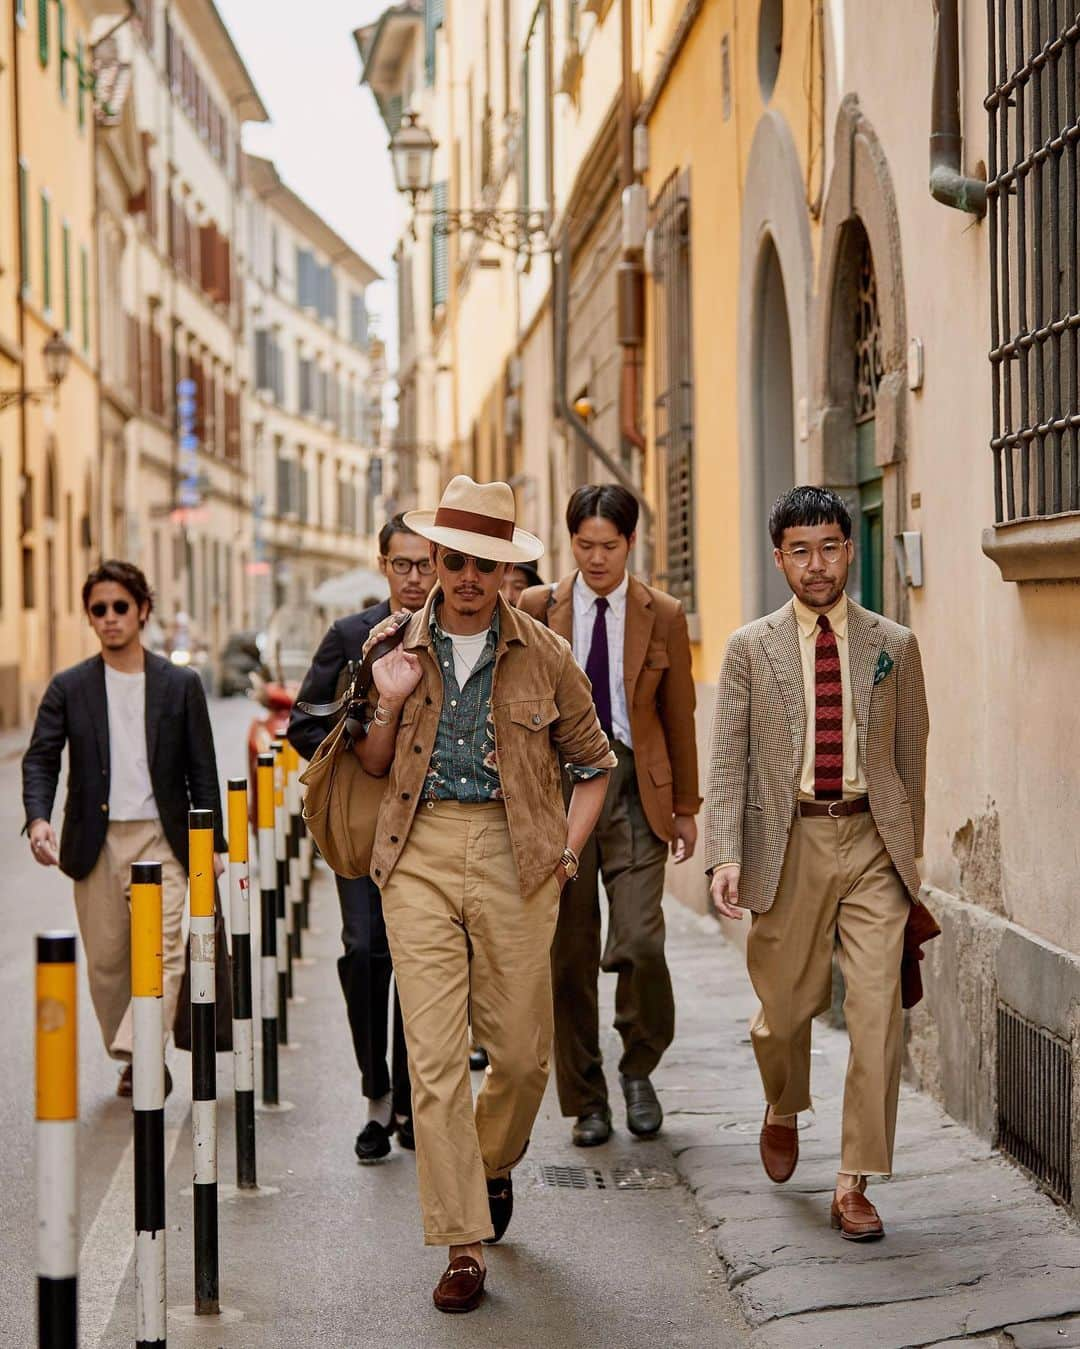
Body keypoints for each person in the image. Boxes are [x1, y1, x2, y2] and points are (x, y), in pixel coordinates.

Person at [356, 475, 615, 1313]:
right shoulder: (391, 644)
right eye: (454, 559)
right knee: (432, 1060)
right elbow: (366, 763)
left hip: (518, 852)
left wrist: (566, 856)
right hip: (419, 847)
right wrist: (388, 708)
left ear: (507, 570)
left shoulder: (545, 652)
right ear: (432, 559)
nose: (467, 577)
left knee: (522, 1056)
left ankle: (490, 1160)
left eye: (485, 564)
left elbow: (595, 766)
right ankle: (463, 1242)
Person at [705, 485, 930, 1241]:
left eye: (829, 547)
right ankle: (782, 1100)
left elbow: (910, 756)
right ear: (780, 559)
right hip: (789, 840)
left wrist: (910, 854)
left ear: (848, 550)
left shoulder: (894, 644)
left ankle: (854, 1179)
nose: (817, 564)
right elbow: (728, 759)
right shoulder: (747, 648)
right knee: (782, 1014)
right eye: (800, 550)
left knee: (875, 1017)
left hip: (871, 841)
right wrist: (725, 856)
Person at [519, 484, 701, 1147]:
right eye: (584, 545)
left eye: (609, 545)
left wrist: (686, 806)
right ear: (571, 543)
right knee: (567, 955)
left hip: (634, 791)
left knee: (640, 939)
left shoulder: (664, 613)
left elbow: (678, 715)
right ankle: (586, 1099)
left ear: (631, 543)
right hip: (561, 792)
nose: (596, 559)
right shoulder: (537, 607)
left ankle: (639, 1066)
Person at [22, 561, 227, 1097]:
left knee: (161, 951)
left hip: (164, 839)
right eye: (98, 610)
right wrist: (39, 818)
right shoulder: (69, 686)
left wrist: (214, 848)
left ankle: (143, 1051)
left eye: (119, 607)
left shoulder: (179, 684)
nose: (109, 618)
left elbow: (201, 769)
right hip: (96, 843)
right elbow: (41, 757)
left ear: (141, 611)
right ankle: (134, 1050)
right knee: (109, 963)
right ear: (90, 617)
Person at [287, 514, 436, 1161]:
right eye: (402, 564)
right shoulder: (351, 635)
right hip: (365, 826)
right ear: (382, 563)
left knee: (424, 961)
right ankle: (377, 1093)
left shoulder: (458, 635)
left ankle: (411, 1097)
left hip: (433, 824)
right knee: (364, 949)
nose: (414, 577)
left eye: (425, 564)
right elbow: (302, 724)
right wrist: (359, 727)